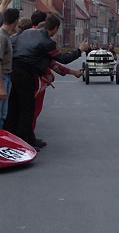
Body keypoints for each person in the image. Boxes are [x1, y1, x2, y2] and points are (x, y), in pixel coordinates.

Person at [5, 14, 89, 149]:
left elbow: (13, 42)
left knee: (14, 108)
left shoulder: (27, 32)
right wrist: (80, 50)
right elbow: (62, 58)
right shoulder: (47, 42)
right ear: (55, 28)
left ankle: (14, 140)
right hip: (25, 74)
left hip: (12, 71)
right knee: (27, 109)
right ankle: (24, 143)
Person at [0, 9, 20, 128]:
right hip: (3, 78)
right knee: (1, 115)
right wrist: (1, 87)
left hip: (6, 77)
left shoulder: (6, 36)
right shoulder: (2, 37)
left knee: (3, 114)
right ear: (16, 21)